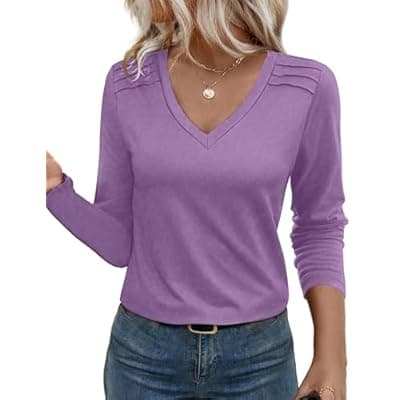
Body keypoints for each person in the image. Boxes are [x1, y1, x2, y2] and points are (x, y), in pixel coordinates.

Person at [46, 1, 348, 399]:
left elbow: (319, 227)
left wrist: (332, 356)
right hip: (142, 359)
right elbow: (118, 242)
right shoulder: (128, 82)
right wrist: (53, 189)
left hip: (259, 360)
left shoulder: (306, 87)